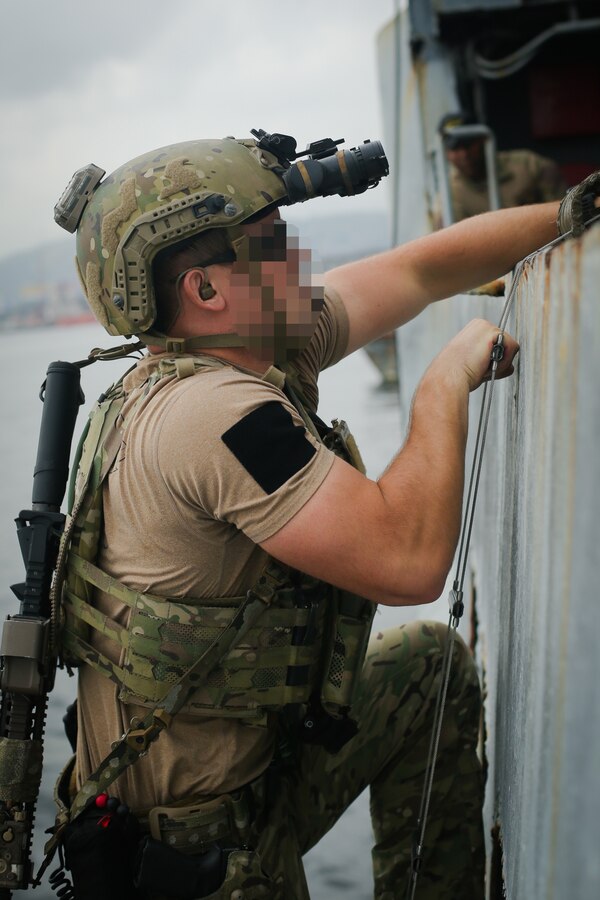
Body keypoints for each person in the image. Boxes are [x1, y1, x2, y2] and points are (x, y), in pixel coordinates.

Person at [49, 132, 598, 900]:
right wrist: (440, 389)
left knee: (426, 672)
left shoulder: (244, 347)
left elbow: (421, 269)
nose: (297, 258)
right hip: (202, 854)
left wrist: (576, 210)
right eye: (271, 243)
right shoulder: (211, 416)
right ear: (207, 291)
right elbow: (408, 562)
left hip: (260, 777)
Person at [439, 112, 567, 222]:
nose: (464, 154)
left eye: (468, 145)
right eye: (455, 148)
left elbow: (565, 215)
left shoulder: (528, 165)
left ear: (483, 140)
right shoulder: (450, 197)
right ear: (445, 153)